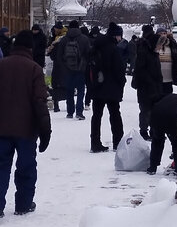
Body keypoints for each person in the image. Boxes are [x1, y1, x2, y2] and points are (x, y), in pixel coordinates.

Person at [0, 30, 52, 222]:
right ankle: (24, 204)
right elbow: (39, 102)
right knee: (26, 166)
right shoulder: (34, 69)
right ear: (30, 48)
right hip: (26, 129)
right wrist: (45, 130)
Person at [87, 23, 127, 152]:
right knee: (115, 115)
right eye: (120, 36)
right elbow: (119, 70)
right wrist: (122, 83)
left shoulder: (96, 46)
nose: (120, 39)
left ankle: (95, 142)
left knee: (96, 116)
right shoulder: (113, 49)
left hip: (97, 86)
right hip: (111, 87)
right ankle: (118, 142)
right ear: (116, 36)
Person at [147, 90, 177, 176]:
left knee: (157, 141)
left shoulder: (172, 96)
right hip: (172, 118)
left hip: (156, 114)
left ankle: (152, 167)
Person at [55, 20, 92, 120]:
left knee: (69, 91)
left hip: (67, 69)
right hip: (80, 69)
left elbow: (59, 55)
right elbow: (89, 54)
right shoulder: (84, 39)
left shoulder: (64, 39)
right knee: (80, 91)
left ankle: (70, 112)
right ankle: (79, 112)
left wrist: (63, 66)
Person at [130, 25, 160, 140]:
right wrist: (153, 82)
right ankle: (144, 131)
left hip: (152, 86)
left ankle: (153, 131)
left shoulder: (150, 51)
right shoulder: (145, 52)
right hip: (146, 87)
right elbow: (141, 70)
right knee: (146, 110)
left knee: (152, 110)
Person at [155, 26, 177, 97]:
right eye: (160, 33)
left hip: (169, 76)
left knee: (168, 95)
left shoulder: (172, 45)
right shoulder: (154, 45)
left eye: (164, 33)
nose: (163, 35)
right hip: (157, 76)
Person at [48, 22, 67, 114]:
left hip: (58, 64)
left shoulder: (58, 40)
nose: (54, 31)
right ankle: (68, 103)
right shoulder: (66, 37)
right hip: (66, 65)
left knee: (55, 84)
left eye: (55, 29)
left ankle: (56, 104)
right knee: (65, 84)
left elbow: (51, 53)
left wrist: (51, 50)